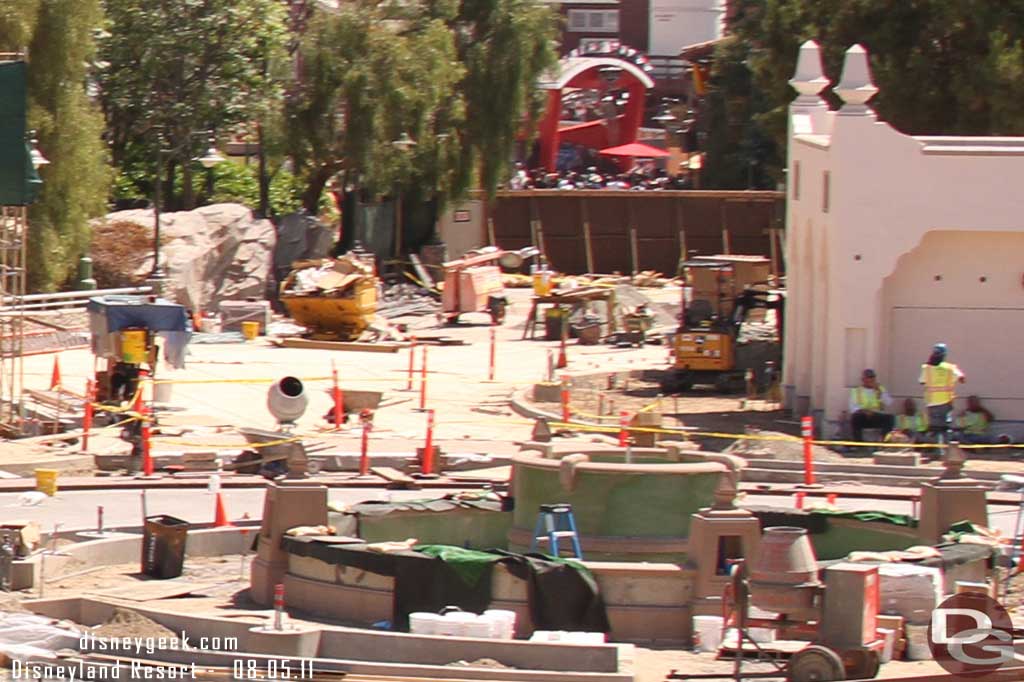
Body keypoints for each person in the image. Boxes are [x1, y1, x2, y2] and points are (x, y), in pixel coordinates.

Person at [919, 343, 965, 435]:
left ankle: (936, 445)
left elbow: (922, 382)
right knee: (945, 428)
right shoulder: (950, 368)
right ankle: (944, 445)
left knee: (934, 427)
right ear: (944, 355)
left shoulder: (926, 368)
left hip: (931, 402)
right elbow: (962, 378)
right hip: (946, 402)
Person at [848, 369, 894, 442]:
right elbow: (852, 408)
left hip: (876, 416)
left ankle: (884, 442)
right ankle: (859, 445)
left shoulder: (880, 388)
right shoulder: (857, 391)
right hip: (863, 416)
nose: (871, 380)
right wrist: (864, 411)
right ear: (863, 379)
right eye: (868, 377)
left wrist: (879, 391)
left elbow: (889, 402)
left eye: (872, 377)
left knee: (890, 418)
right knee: (855, 418)